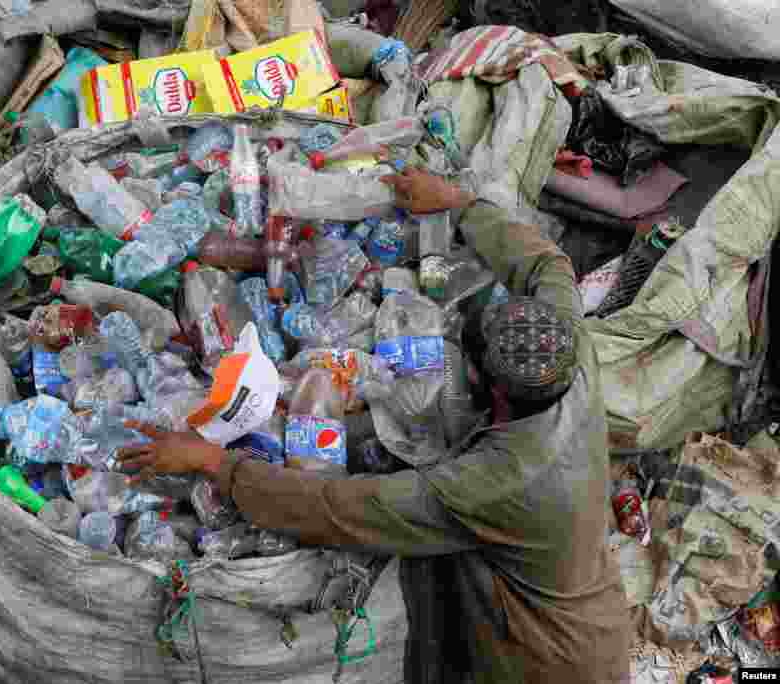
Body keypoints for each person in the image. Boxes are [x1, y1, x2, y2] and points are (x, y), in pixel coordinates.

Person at [119, 168, 632, 684]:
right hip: (592, 606)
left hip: (549, 656)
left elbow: (343, 510)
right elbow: (547, 264)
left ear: (493, 390)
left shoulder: (501, 479)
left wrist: (213, 462)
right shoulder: (564, 355)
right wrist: (458, 203)